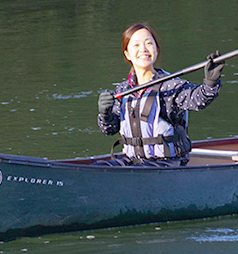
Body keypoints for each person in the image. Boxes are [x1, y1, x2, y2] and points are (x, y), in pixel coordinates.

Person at [96, 23, 225, 166]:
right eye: (136, 46)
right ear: (127, 54)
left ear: (156, 50)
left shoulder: (170, 86)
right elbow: (109, 129)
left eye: (148, 44)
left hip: (167, 163)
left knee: (139, 172)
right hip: (133, 162)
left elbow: (198, 100)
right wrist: (104, 113)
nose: (143, 50)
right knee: (97, 167)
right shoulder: (122, 90)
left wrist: (211, 82)